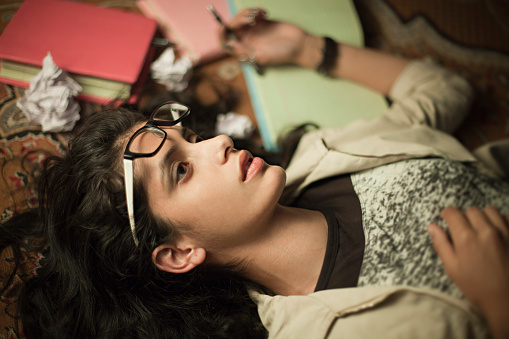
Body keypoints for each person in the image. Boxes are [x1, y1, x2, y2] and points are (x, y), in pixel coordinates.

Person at [1, 7, 508, 339]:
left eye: (191, 141)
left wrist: (307, 49)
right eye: (181, 170)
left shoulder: (323, 154)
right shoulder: (325, 331)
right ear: (178, 253)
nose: (219, 143)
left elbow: (444, 94)